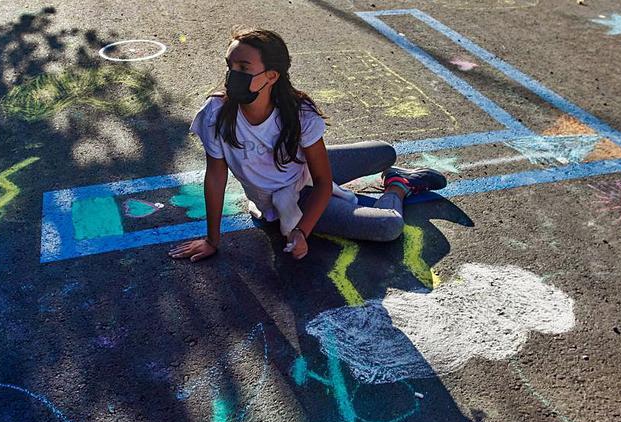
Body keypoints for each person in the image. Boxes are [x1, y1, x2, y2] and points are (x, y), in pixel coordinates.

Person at [168, 27, 446, 262]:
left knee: (385, 152)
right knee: (389, 226)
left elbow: (323, 181)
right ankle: (398, 185)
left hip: (306, 176)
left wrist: (303, 231)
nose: (232, 75)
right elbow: (216, 176)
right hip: (292, 199)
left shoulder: (299, 112)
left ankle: (392, 170)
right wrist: (212, 240)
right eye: (230, 66)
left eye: (243, 68)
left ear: (271, 76)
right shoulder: (216, 112)